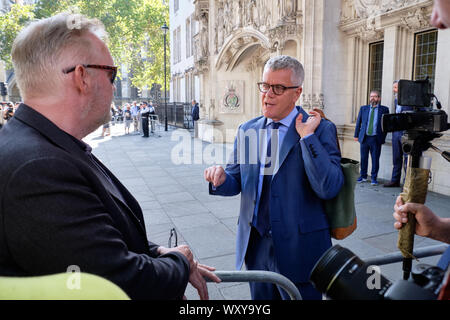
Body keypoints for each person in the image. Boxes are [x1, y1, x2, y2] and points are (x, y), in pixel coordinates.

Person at [0, 12, 220, 300]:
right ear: (81, 77)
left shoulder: (47, 145)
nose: (114, 86)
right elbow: (116, 283)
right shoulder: (39, 167)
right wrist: (179, 261)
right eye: (110, 73)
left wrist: (154, 251)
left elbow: (88, 241)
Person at [204, 55, 344, 300]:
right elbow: (236, 179)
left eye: (278, 88)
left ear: (296, 93)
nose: (268, 94)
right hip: (255, 246)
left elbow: (329, 187)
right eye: (265, 86)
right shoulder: (248, 129)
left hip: (300, 249)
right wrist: (221, 178)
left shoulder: (321, 129)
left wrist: (307, 138)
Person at [354, 90, 389, 186]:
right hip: (364, 138)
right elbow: (358, 122)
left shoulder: (384, 109)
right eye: (371, 96)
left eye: (375, 96)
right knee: (363, 158)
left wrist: (383, 137)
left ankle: (374, 178)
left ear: (379, 98)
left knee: (375, 159)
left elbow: (386, 126)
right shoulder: (363, 108)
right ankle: (363, 176)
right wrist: (356, 135)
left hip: (376, 138)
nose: (372, 98)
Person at [384, 81, 413, 188]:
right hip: (396, 133)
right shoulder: (396, 100)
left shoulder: (411, 100)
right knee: (396, 157)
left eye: (395, 87)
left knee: (407, 158)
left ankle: (406, 183)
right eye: (393, 88)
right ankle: (395, 180)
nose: (394, 90)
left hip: (406, 133)